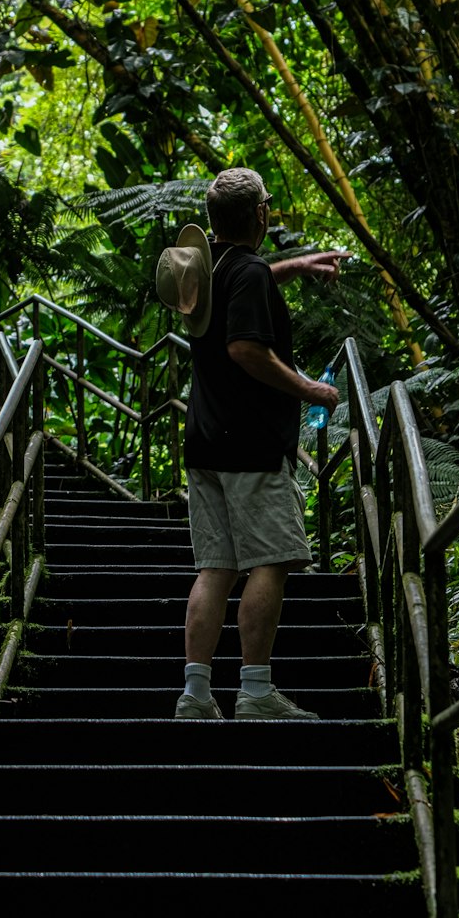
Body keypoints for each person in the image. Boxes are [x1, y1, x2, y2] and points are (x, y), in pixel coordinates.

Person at [156, 167, 345, 720]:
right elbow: (245, 347)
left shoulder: (205, 267)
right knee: (273, 560)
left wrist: (296, 266)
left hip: (206, 440)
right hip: (252, 443)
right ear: (260, 215)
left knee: (215, 567)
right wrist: (312, 388)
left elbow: (246, 279)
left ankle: (195, 695)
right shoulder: (248, 271)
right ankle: (256, 690)